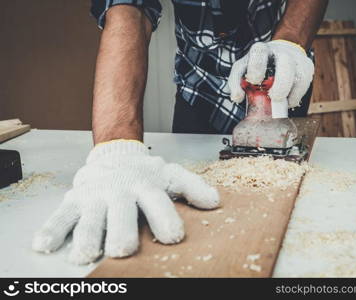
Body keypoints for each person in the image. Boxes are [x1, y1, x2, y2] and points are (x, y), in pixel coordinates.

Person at [32, 0, 328, 264]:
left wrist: (290, 42)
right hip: (200, 84)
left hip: (280, 67)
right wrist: (116, 146)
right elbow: (127, 8)